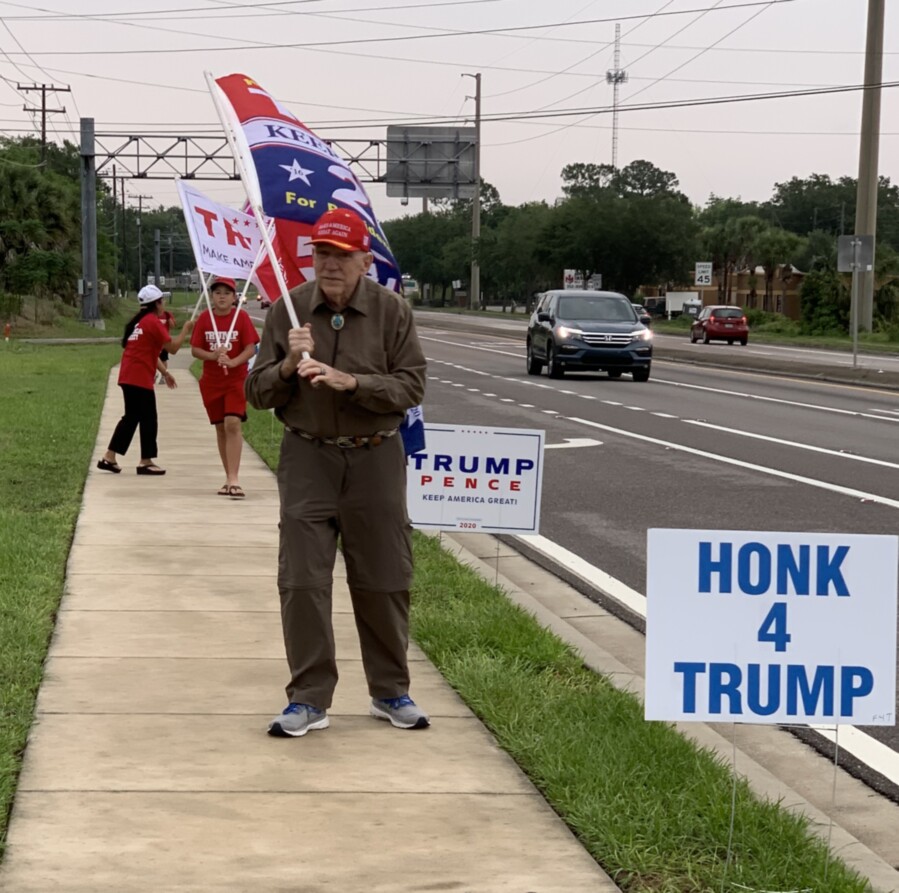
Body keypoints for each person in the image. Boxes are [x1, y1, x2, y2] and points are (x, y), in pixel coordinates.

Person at [246, 207, 428, 738]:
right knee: (302, 580)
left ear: (363, 261)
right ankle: (308, 698)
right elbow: (256, 393)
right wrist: (285, 365)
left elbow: (411, 387)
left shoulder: (393, 312)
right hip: (308, 457)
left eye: (342, 256)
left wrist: (352, 383)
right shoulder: (289, 310)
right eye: (322, 253)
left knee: (384, 577)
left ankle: (390, 691)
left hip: (376, 455)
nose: (330, 265)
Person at [97, 284, 193, 476]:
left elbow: (148, 352)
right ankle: (145, 461)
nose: (164, 304)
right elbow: (173, 348)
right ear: (156, 303)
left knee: (132, 417)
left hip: (129, 376)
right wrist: (186, 330)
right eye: (162, 301)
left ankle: (110, 457)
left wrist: (164, 372)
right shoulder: (153, 322)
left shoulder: (139, 323)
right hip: (138, 377)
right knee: (148, 418)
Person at [190, 276, 260, 498]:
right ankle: (228, 475)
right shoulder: (204, 318)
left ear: (234, 297)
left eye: (227, 293)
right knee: (221, 427)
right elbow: (195, 349)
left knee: (233, 423)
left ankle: (235, 479)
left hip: (236, 379)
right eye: (217, 292)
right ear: (211, 295)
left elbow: (250, 348)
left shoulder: (241, 318)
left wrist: (234, 361)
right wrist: (212, 355)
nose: (222, 296)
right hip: (211, 382)